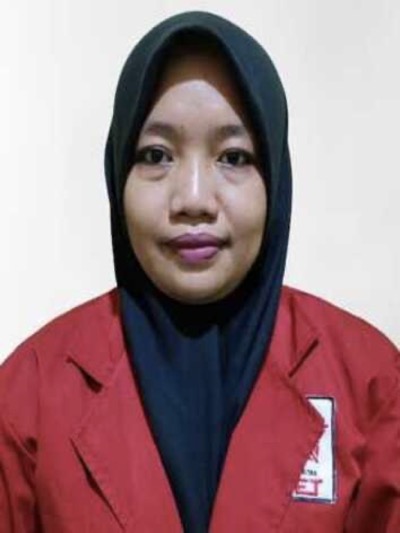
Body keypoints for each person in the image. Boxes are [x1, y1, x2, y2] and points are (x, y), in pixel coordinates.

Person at [0, 10, 399, 533]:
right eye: (156, 155)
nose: (193, 199)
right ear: (118, 173)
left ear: (275, 179)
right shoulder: (29, 391)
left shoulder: (372, 383)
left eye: (233, 157)